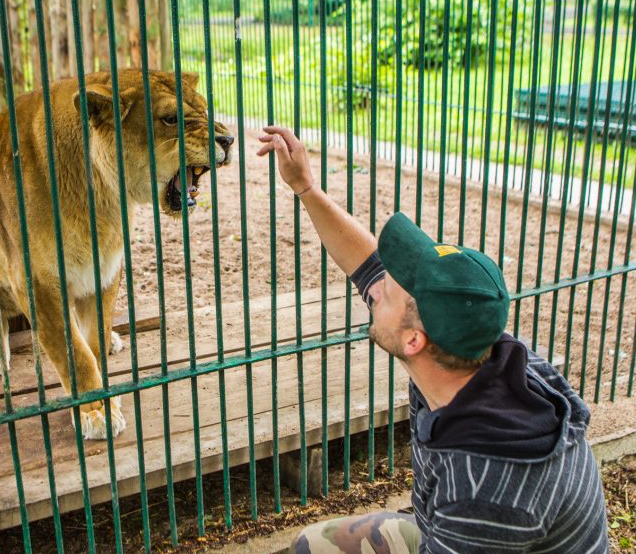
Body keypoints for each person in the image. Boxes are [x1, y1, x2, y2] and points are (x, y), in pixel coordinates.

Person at [256, 126, 609, 554]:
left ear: (414, 342)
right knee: (313, 545)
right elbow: (366, 265)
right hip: (467, 526)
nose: (377, 285)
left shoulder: (482, 487)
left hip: (477, 523)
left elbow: (478, 503)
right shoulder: (484, 352)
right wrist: (305, 186)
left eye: (391, 287)